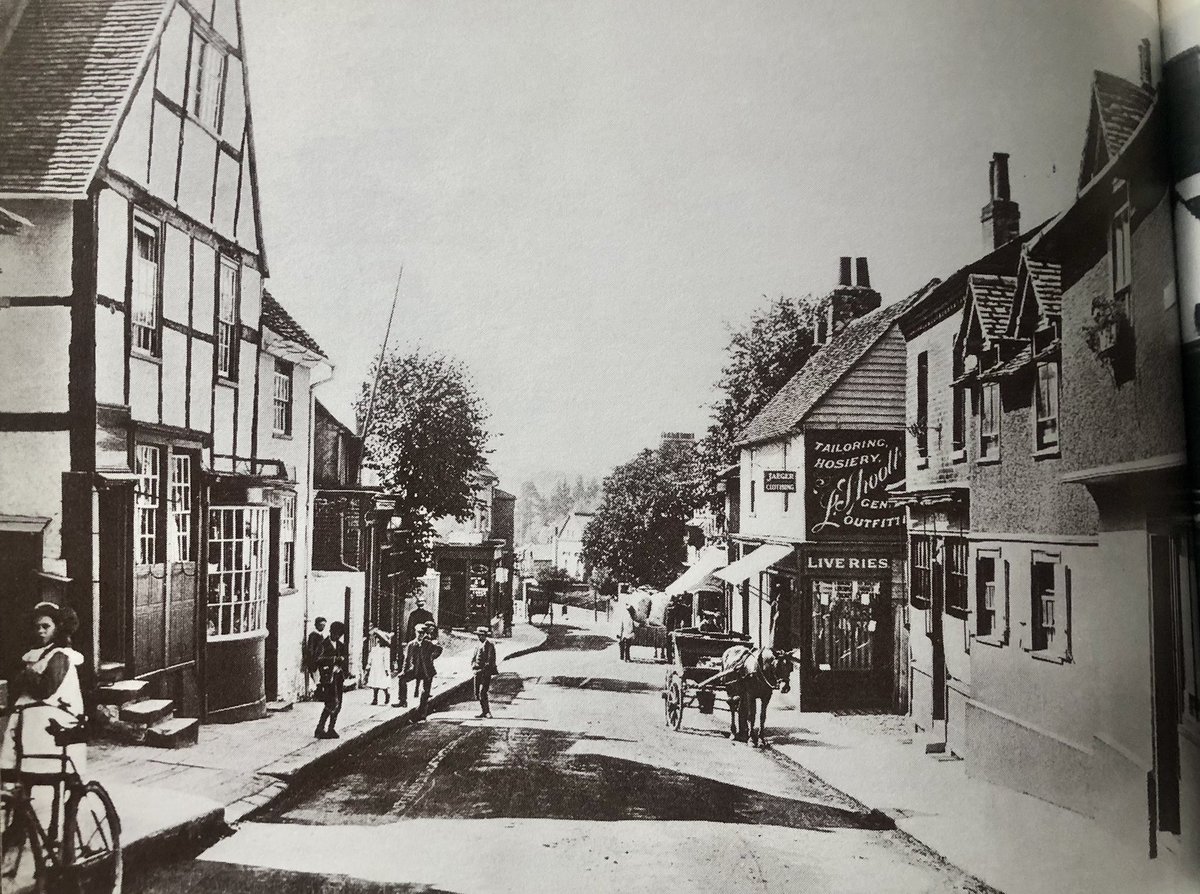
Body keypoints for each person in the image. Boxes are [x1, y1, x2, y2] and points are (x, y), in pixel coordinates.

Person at [1, 603, 87, 831]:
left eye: (45, 626)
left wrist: (26, 676)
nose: (40, 631)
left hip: (54, 726)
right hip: (32, 725)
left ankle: (56, 831)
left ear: (56, 629)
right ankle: (19, 821)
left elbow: (46, 690)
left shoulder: (60, 656)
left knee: (30, 750)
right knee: (17, 763)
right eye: (37, 626)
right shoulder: (34, 655)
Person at [314, 620, 348, 739]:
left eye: (339, 634)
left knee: (339, 704)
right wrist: (333, 659)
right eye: (335, 633)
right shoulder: (323, 644)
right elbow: (317, 659)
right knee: (331, 702)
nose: (337, 636)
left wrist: (342, 662)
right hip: (328, 678)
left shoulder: (341, 645)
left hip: (338, 677)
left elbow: (344, 659)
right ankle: (319, 728)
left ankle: (331, 728)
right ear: (331, 631)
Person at [403, 622, 443, 721]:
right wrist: (404, 671)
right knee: (402, 680)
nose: (420, 635)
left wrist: (432, 656)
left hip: (427, 671)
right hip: (416, 669)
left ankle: (422, 712)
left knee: (425, 692)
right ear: (415, 632)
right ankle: (402, 700)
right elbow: (407, 659)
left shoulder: (428, 643)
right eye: (418, 632)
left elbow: (439, 649)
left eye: (422, 633)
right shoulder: (411, 644)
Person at [471, 625, 497, 718]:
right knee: (477, 693)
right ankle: (483, 711)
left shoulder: (489, 645)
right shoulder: (477, 645)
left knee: (483, 691)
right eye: (478, 635)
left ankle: (487, 712)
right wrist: (473, 666)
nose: (479, 637)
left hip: (485, 672)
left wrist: (484, 668)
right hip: (477, 671)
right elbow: (473, 658)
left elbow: (490, 659)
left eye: (481, 635)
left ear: (485, 635)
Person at [363, 627, 394, 706]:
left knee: (383, 684)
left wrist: (387, 670)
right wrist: (368, 666)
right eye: (378, 639)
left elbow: (386, 660)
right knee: (375, 685)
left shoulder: (386, 650)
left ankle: (387, 695)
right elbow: (370, 658)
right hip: (375, 668)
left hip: (382, 669)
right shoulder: (374, 649)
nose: (378, 641)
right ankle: (375, 699)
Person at [305, 616, 328, 700]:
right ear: (316, 625)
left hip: (321, 660)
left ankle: (321, 694)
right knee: (317, 678)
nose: (323, 627)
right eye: (321, 625)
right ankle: (319, 695)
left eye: (324, 625)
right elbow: (311, 649)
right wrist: (313, 660)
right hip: (315, 660)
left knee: (321, 677)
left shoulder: (321, 635)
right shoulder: (313, 635)